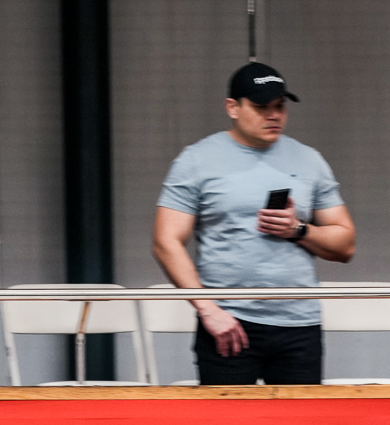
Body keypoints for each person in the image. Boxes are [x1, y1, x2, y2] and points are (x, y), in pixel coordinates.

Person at [151, 62, 356, 385]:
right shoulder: (196, 160)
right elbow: (166, 242)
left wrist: (299, 230)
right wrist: (209, 311)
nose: (273, 115)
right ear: (232, 107)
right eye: (261, 107)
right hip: (228, 323)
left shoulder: (309, 160)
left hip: (298, 326)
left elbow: (346, 244)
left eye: (279, 107)